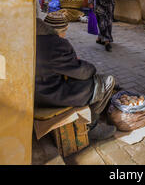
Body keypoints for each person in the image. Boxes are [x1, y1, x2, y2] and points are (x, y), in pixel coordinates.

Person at [35, 12, 116, 141]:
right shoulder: (57, 44)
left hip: (34, 94)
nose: (65, 34)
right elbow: (83, 72)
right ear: (59, 30)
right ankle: (91, 126)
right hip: (49, 97)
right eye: (64, 31)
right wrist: (89, 67)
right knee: (106, 81)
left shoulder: (31, 39)